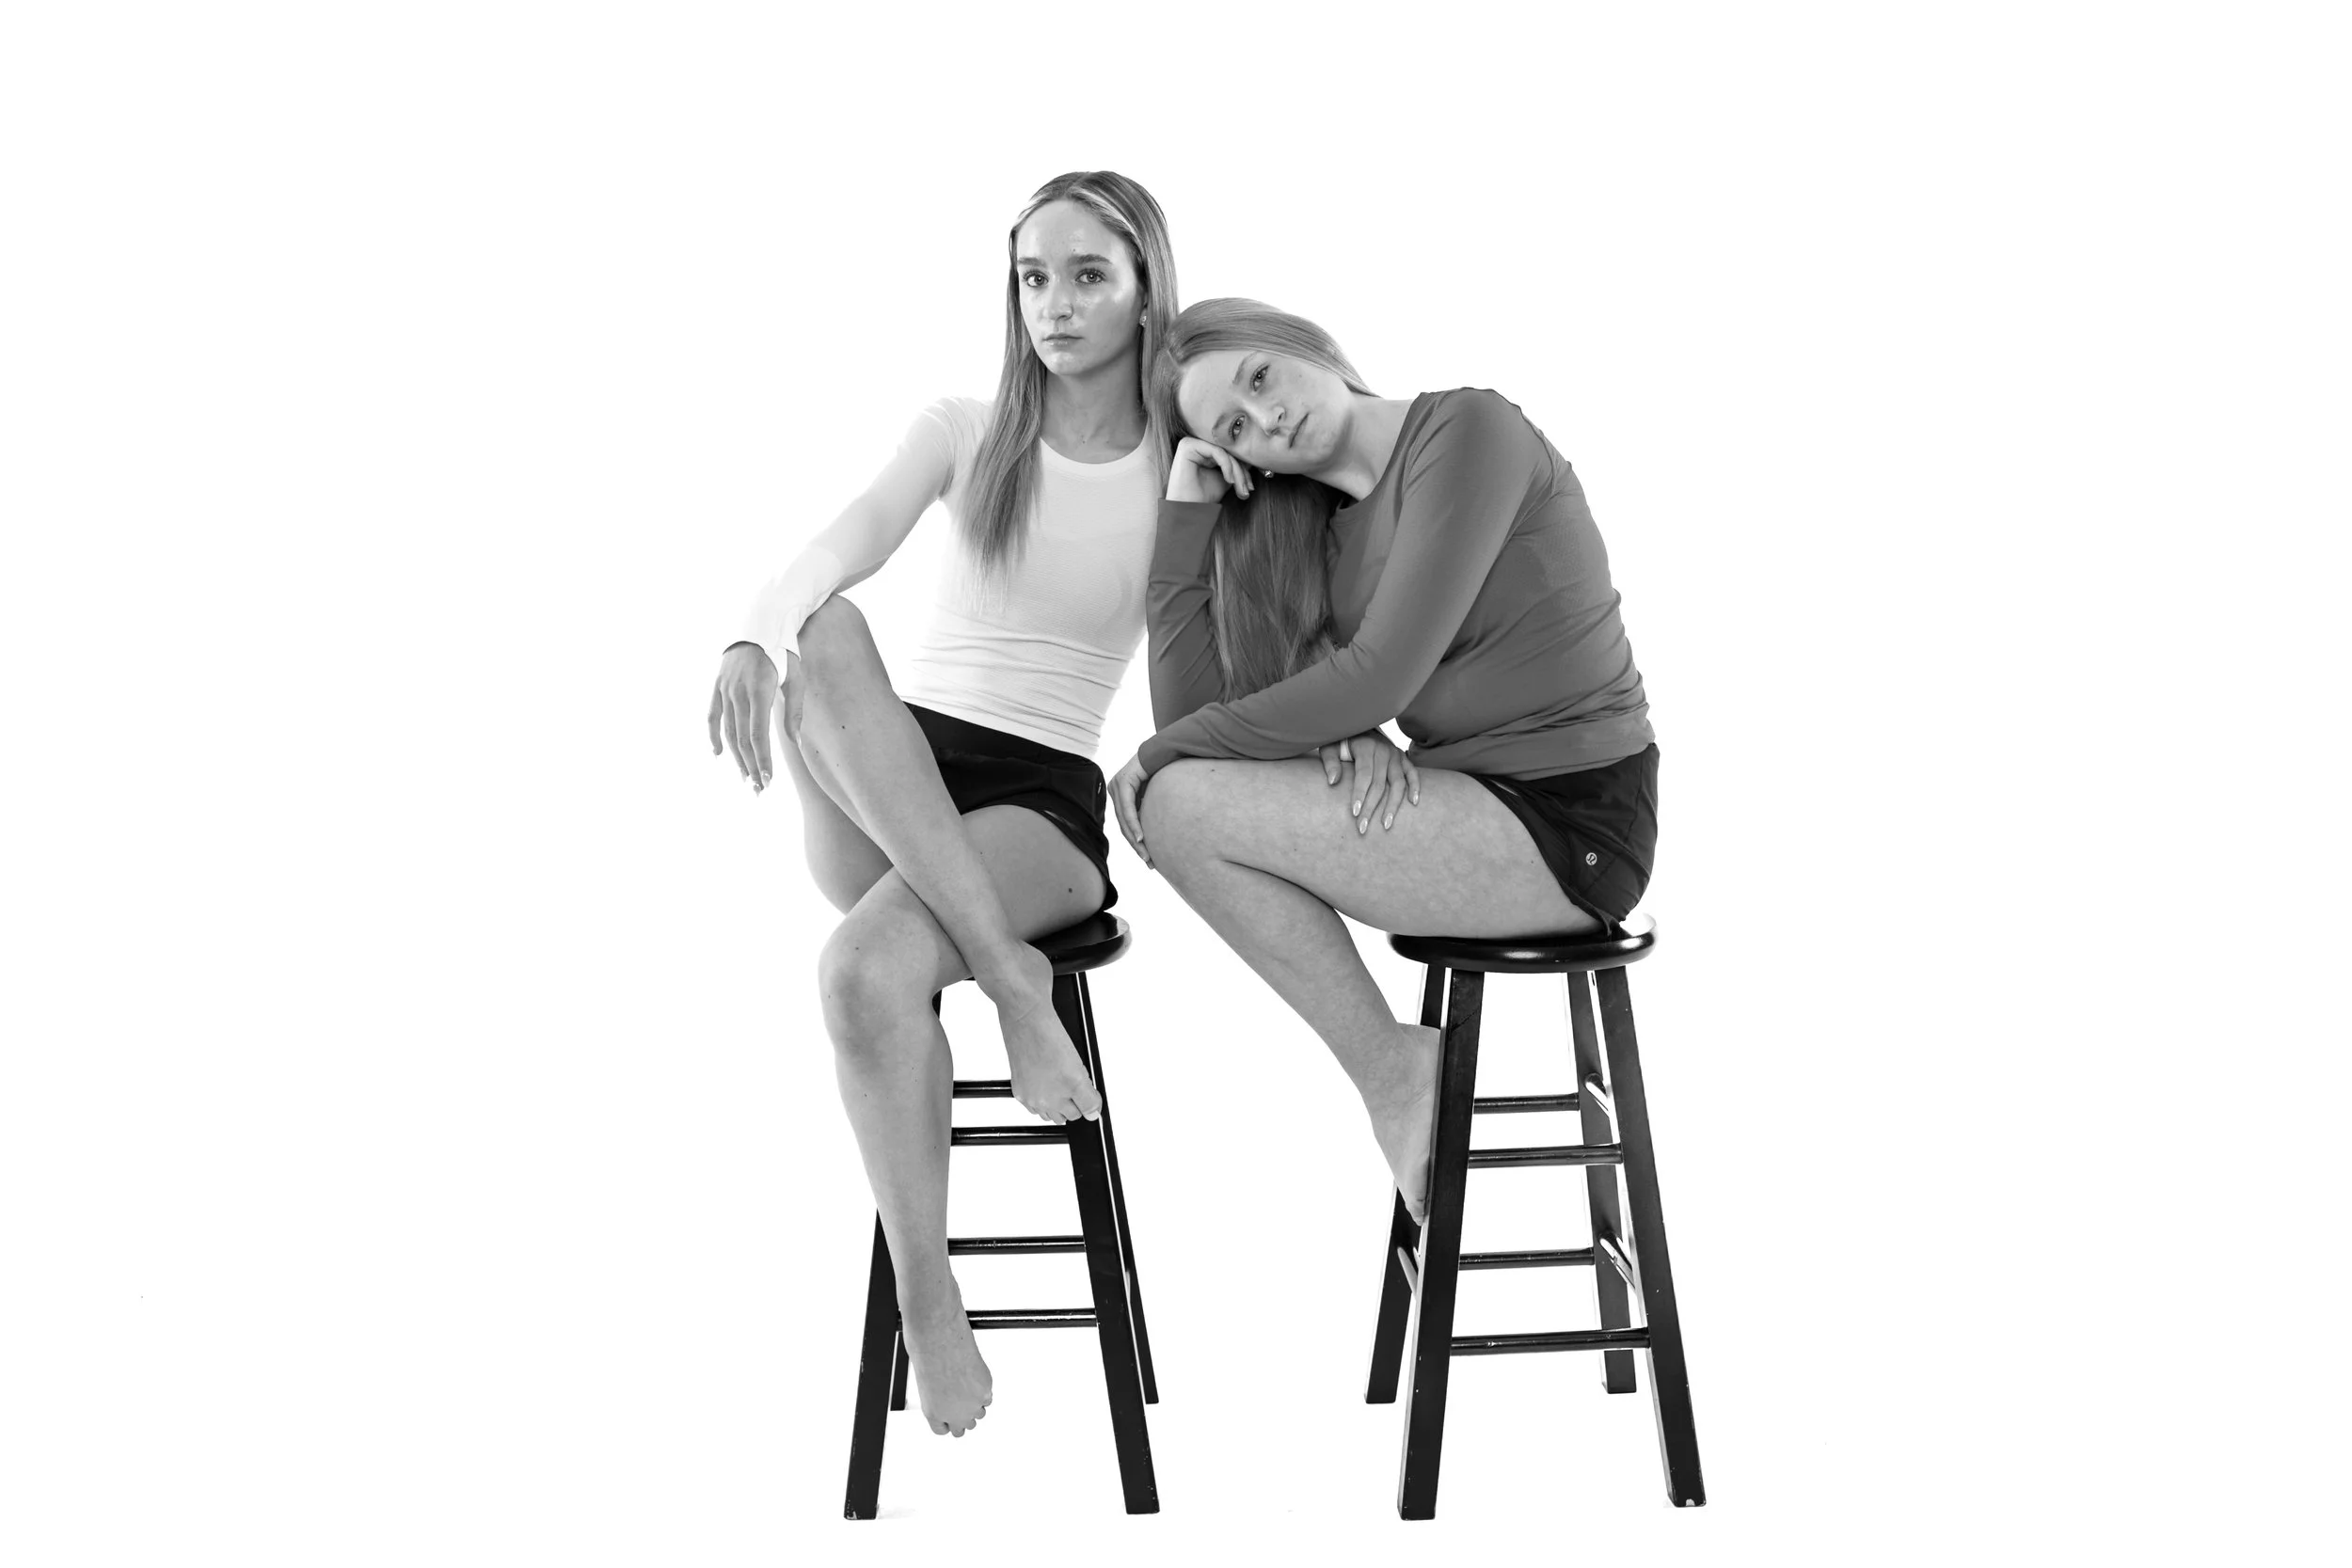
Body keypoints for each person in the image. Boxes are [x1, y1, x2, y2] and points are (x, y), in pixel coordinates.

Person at [708, 172, 1176, 1439]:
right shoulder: (965, 427)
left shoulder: (1183, 464)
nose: (1058, 304)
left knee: (862, 972)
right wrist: (755, 632)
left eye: (1090, 276)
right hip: (896, 772)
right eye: (1036, 275)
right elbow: (846, 534)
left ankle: (927, 1291)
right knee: (825, 625)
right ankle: (1012, 988)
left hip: (1039, 803)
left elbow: (1240, 641)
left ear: (1145, 292)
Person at [1111, 298, 1658, 1228]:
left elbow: (1377, 676)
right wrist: (1183, 526)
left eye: (1259, 377)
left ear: (1303, 343)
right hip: (1470, 803)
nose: (1268, 417)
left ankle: (1395, 1076)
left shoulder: (1468, 429)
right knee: (1181, 802)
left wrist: (1190, 747)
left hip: (1570, 825)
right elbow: (1203, 722)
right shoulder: (1316, 532)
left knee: (1177, 793)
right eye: (1236, 428)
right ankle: (1392, 1068)